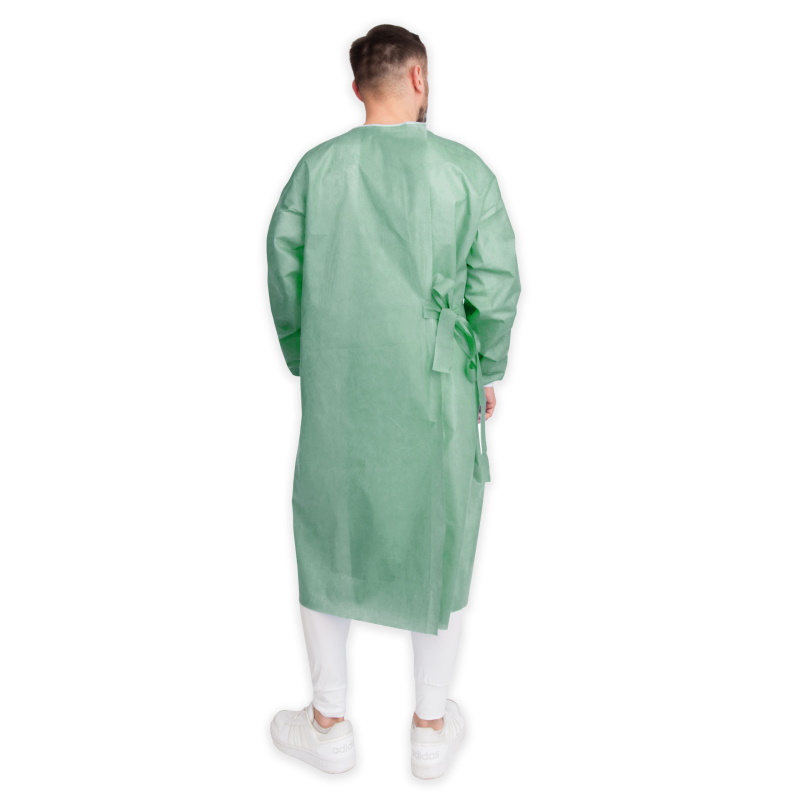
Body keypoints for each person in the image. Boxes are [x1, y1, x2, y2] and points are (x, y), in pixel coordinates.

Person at [266, 24, 521, 779]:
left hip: (342, 382)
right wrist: (486, 367)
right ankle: (430, 728)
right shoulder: (465, 172)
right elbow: (496, 288)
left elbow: (284, 272)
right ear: (418, 77)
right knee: (440, 532)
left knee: (327, 528)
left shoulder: (317, 170)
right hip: (437, 380)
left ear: (356, 87)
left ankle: (328, 722)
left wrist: (306, 355)